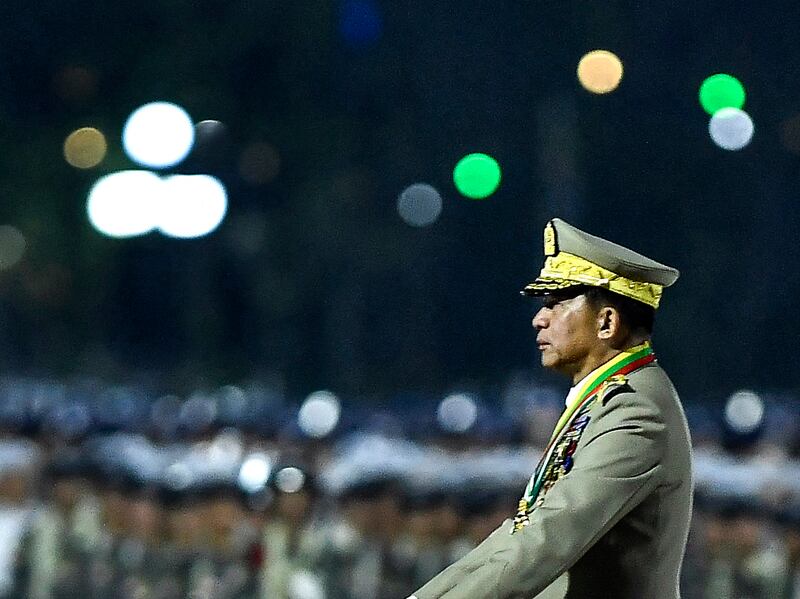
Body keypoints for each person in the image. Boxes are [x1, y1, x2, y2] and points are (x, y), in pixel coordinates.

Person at [408, 218, 693, 599]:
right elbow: (519, 535)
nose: (538, 319)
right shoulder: (607, 400)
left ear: (607, 322)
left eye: (555, 304)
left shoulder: (636, 411)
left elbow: (548, 539)